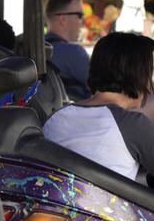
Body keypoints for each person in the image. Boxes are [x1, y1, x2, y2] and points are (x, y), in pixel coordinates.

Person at [44, 31, 154, 181]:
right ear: (138, 76)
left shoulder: (56, 118)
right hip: (105, 204)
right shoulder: (133, 124)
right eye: (149, 74)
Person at [44, 0, 91, 100]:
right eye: (80, 16)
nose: (83, 22)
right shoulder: (74, 53)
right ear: (63, 19)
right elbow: (106, 88)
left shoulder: (32, 48)